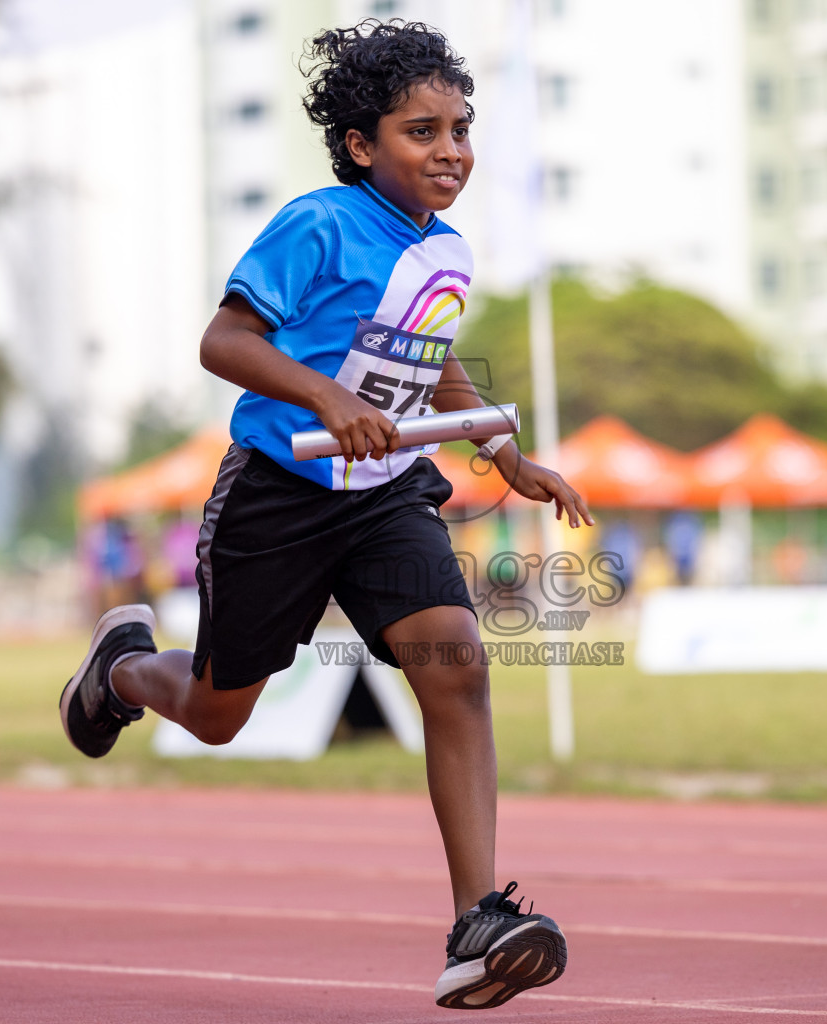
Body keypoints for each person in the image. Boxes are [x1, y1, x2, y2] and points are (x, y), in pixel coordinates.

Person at [57, 20, 592, 1011]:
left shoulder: (450, 250)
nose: (451, 151)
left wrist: (506, 454)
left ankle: (479, 920)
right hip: (279, 494)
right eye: (421, 132)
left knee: (457, 664)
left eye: (461, 130)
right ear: (361, 146)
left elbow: (426, 358)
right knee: (220, 716)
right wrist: (325, 398)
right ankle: (123, 665)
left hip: (386, 494)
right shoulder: (318, 224)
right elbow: (225, 339)